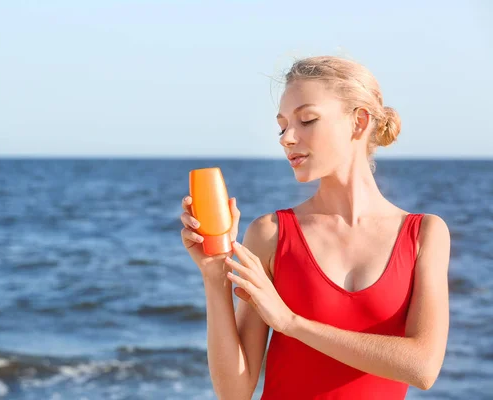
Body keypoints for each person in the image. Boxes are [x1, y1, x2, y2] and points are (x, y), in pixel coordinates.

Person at [179, 56, 450, 399]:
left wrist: (292, 324)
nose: (287, 138)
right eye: (282, 125)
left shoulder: (424, 234)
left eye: (307, 120)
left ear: (359, 122)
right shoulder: (271, 234)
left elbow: (422, 368)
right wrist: (214, 275)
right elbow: (234, 392)